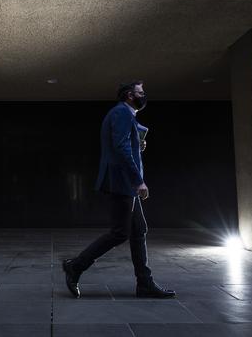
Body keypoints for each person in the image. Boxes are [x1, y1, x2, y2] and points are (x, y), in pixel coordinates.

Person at [62, 81, 175, 298]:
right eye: (141, 93)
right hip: (123, 181)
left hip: (125, 181)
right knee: (120, 232)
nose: (144, 96)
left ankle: (144, 283)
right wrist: (138, 180)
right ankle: (76, 266)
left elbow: (124, 145)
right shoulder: (122, 113)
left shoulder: (125, 115)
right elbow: (121, 148)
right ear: (130, 95)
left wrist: (138, 145)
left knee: (138, 230)